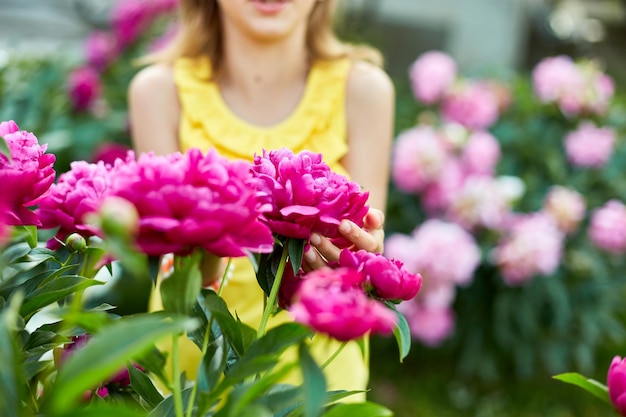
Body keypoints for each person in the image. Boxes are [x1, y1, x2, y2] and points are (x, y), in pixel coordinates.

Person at [128, 0, 394, 398]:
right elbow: (173, 276)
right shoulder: (159, 92)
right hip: (191, 378)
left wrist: (361, 255)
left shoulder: (364, 90)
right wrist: (214, 241)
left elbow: (372, 247)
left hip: (319, 376)